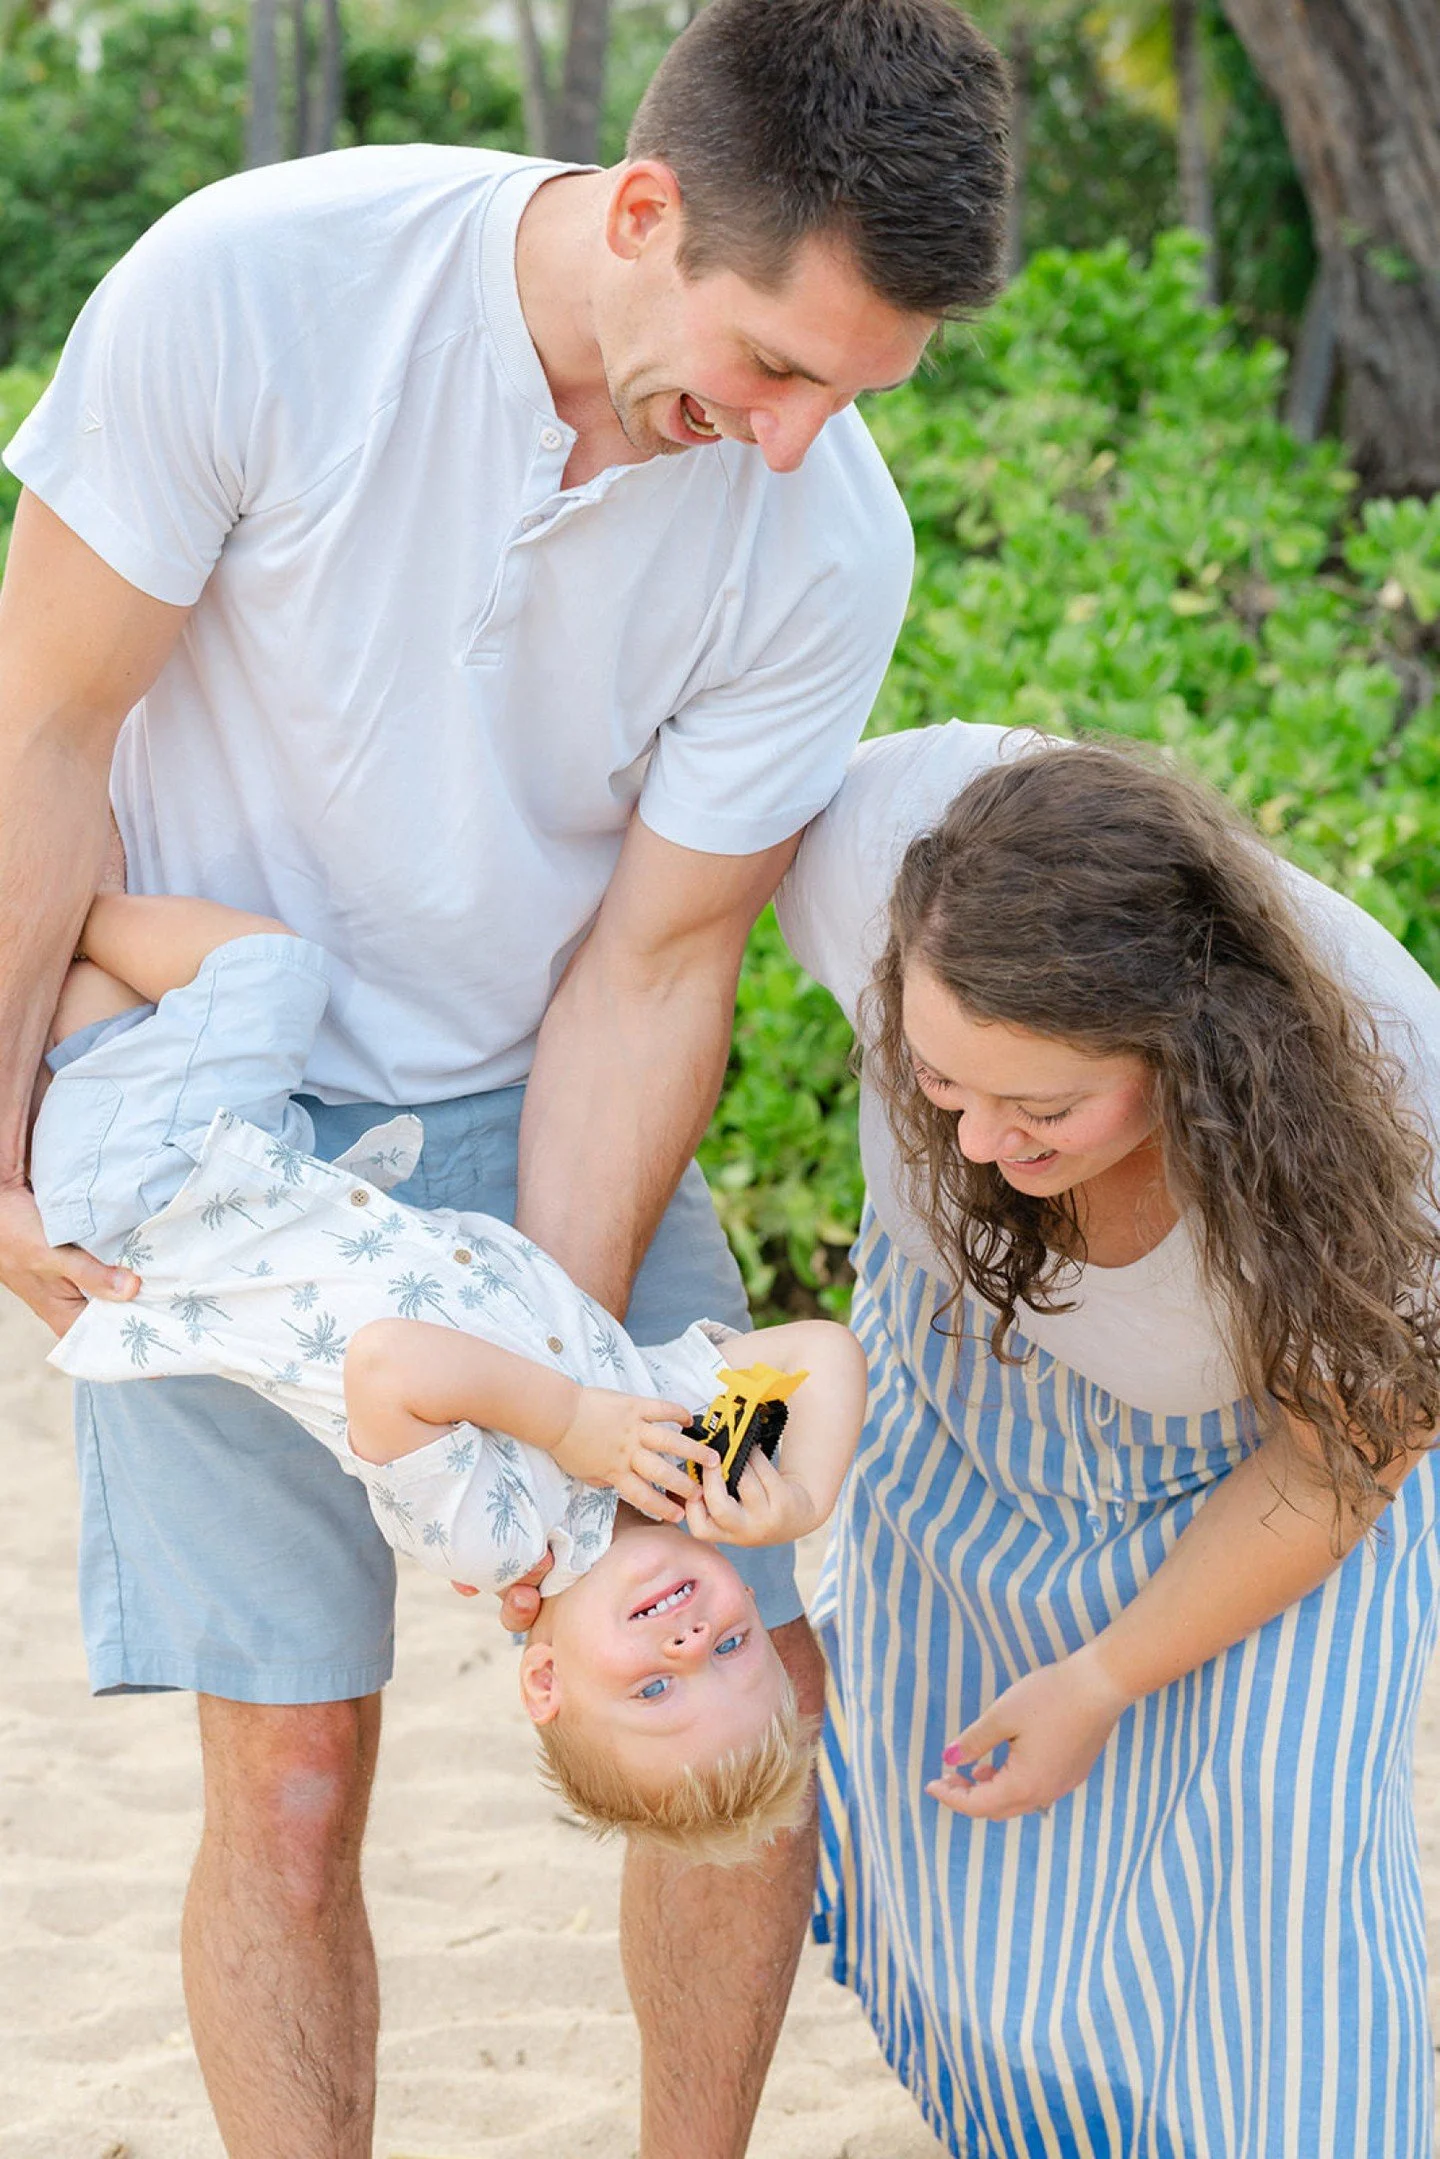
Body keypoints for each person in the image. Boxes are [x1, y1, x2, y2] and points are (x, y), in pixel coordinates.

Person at [0, 1, 1009, 2145]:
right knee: (287, 1758)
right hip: (203, 1128)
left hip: (551, 1095)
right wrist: (2, 1161)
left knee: (751, 1693)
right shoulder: (253, 285)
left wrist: (568, 1401)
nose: (801, 440)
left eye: (858, 392)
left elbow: (653, 964)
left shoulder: (822, 537)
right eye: (778, 367)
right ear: (643, 212)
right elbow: (45, 735)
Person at [773, 719, 1440, 2158]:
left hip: (1277, 1455)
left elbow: (1340, 1461)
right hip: (964, 1390)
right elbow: (654, 959)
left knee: (1283, 1855)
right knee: (985, 1911)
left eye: (1043, 1107)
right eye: (940, 1084)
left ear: (1193, 1052)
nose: (972, 1148)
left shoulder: (1401, 1106)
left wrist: (1101, 1673)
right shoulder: (875, 848)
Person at [31, 890, 869, 1853]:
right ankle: (55, 897)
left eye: (653, 1687)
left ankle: (42, 899)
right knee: (118, 983)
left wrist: (567, 1422)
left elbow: (387, 1366)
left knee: (262, 968)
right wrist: (801, 1496)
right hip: (249, 1169)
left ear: (545, 1681)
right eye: (733, 1648)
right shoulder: (677, 1455)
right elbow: (823, 1351)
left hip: (159, 1204)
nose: (689, 1646)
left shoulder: (500, 1539)